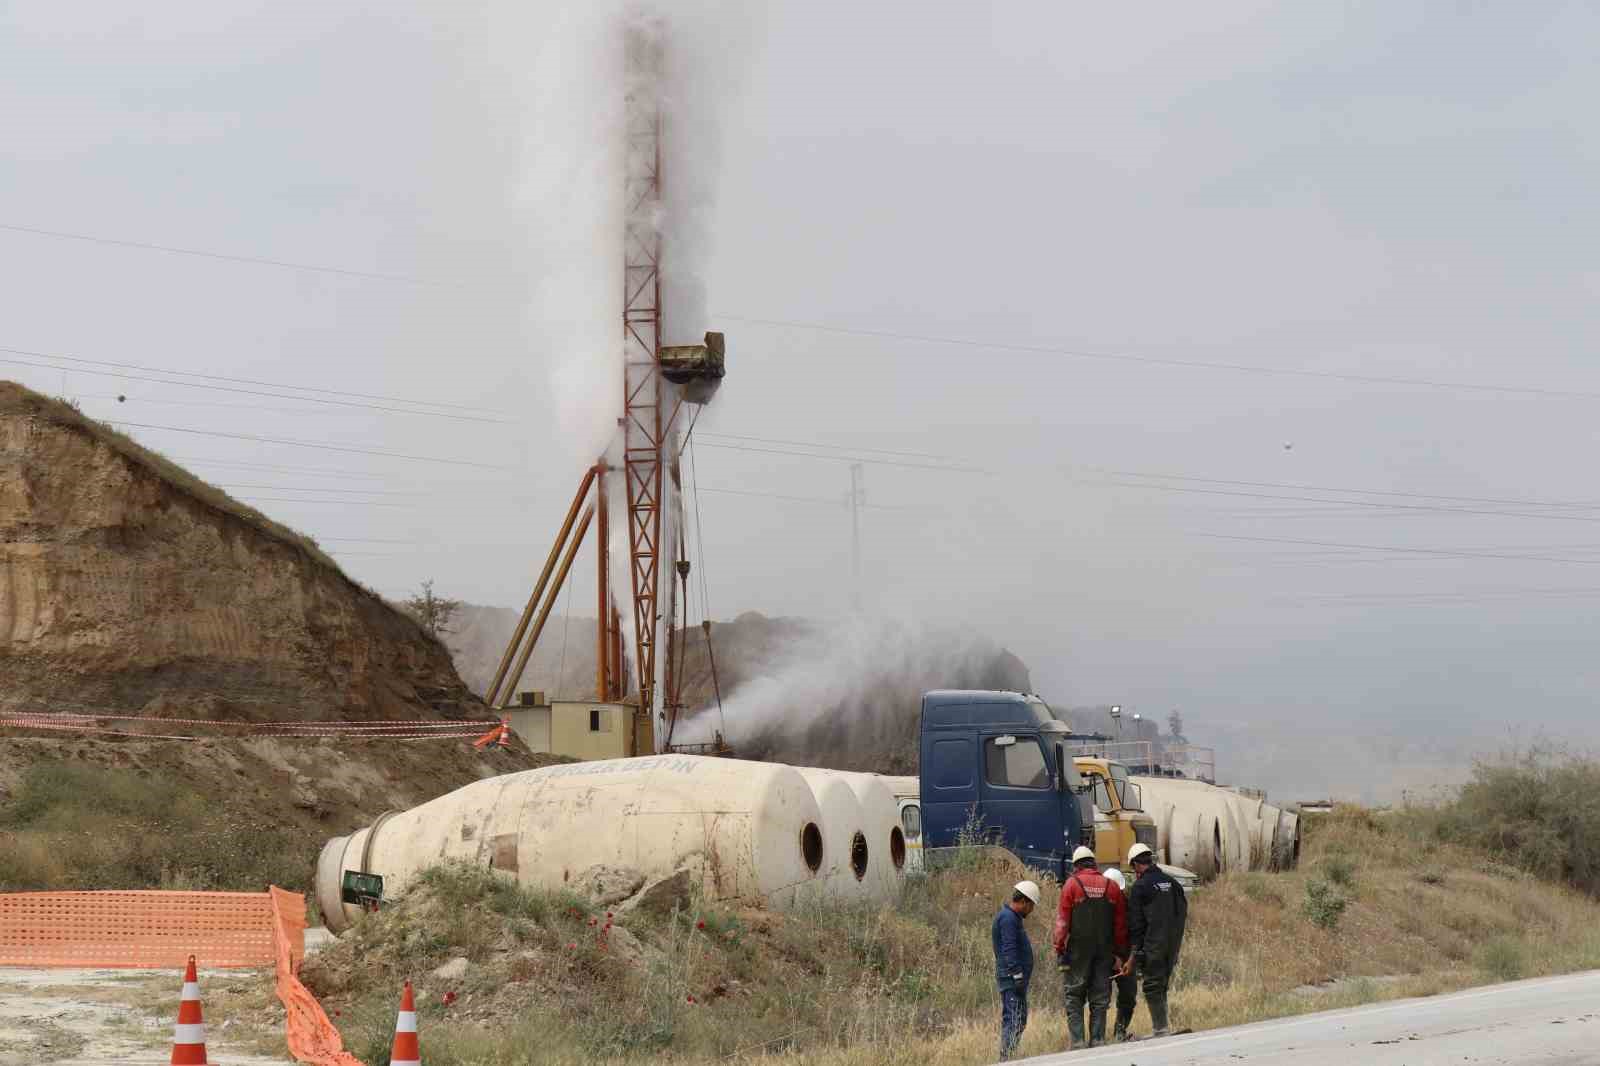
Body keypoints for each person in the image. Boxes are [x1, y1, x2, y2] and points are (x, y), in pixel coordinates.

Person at [1052, 845, 1129, 1049]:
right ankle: (1098, 1040)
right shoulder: (1111, 887)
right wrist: (1119, 953)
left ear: (1076, 865)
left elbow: (1062, 923)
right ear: (1093, 863)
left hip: (1077, 952)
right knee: (1100, 996)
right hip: (1104, 952)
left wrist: (1059, 948)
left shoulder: (1071, 885)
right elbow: (1120, 927)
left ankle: (1077, 1042)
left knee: (1074, 995)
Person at [1126, 843, 1188, 1038]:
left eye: (1133, 867)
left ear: (1137, 864)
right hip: (1172, 944)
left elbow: (1136, 925)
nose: (1134, 872)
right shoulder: (1173, 883)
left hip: (1153, 945)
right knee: (1162, 985)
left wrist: (1135, 952)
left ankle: (1160, 1029)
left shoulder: (1140, 887)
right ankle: (1163, 1026)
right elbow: (1182, 913)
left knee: (1152, 985)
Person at [992, 879, 1041, 1060]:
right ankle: (1006, 1058)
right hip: (1011, 979)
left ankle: (1009, 1055)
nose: (1032, 910)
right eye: (1031, 906)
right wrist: (1017, 975)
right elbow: (1009, 948)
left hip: (1014, 979)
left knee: (1019, 1020)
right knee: (1013, 1019)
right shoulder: (1008, 918)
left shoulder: (1012, 918)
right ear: (1023, 902)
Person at [1103, 867, 1138, 1042]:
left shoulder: (1129, 906)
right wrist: (1112, 958)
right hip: (1105, 959)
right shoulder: (1098, 908)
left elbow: (1136, 935)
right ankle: (1098, 1039)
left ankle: (1120, 1033)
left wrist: (1130, 959)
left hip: (1126, 959)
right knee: (1101, 1000)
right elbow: (1097, 937)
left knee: (1129, 997)